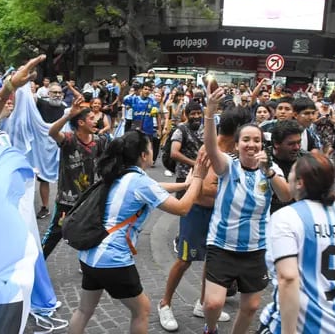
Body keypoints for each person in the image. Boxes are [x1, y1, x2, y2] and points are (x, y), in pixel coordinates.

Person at [67, 130, 210, 334]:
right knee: (142, 309)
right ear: (144, 155)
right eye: (151, 148)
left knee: (83, 310)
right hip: (112, 259)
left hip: (90, 255)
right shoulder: (139, 182)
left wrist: (186, 184)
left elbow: (156, 187)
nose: (154, 152)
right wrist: (197, 178)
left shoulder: (121, 173)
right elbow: (182, 208)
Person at [257, 153, 335, 334]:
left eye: (291, 173)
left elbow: (288, 277)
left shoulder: (286, 218)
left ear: (299, 182)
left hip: (304, 324)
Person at [202, 88, 292, 334]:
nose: (251, 145)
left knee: (251, 305)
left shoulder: (272, 170)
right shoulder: (228, 166)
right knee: (213, 303)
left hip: (256, 247)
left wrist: (269, 171)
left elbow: (286, 195)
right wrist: (210, 112)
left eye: (257, 140)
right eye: (246, 140)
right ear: (237, 144)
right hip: (222, 244)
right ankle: (210, 329)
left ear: (263, 144)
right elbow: (211, 148)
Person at [157, 106, 251, 332]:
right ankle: (165, 304)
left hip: (217, 214)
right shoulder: (210, 149)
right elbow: (205, 188)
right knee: (185, 259)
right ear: (236, 129)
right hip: (197, 213)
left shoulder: (233, 149)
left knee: (212, 261)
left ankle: (202, 302)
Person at [41, 96, 109, 259]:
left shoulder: (98, 141)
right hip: (67, 200)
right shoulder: (69, 139)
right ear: (80, 123)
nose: (95, 121)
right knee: (55, 234)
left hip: (88, 200)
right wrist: (68, 115)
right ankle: (37, 265)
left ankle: (89, 265)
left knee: (91, 233)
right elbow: (52, 132)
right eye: (91, 119)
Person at [35, 82, 68, 219]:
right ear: (48, 94)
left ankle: (65, 208)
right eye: (54, 92)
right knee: (44, 179)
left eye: (59, 92)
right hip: (43, 147)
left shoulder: (65, 108)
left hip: (60, 145)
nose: (57, 95)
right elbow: (29, 100)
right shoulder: (41, 104)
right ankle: (45, 207)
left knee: (65, 178)